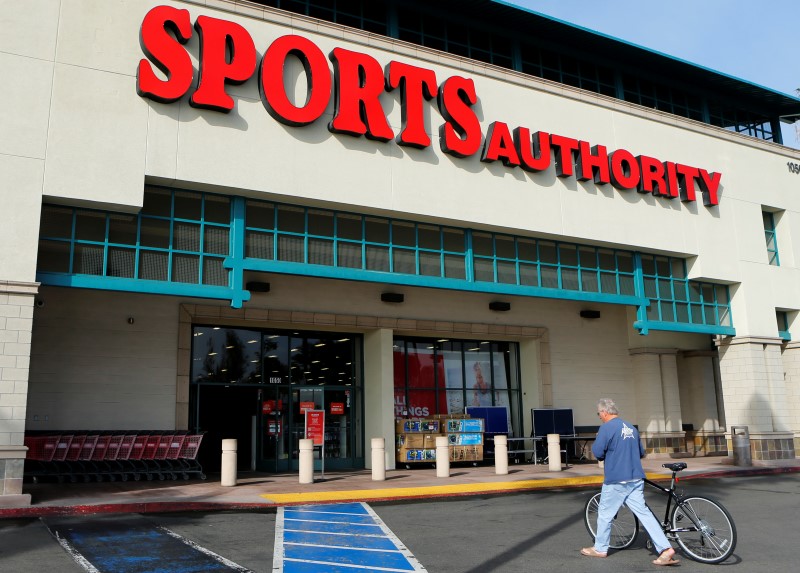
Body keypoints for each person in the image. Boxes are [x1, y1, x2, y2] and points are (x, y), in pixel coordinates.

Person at [581, 398, 679, 566]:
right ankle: (665, 549)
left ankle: (600, 548)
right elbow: (641, 452)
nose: (599, 417)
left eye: (599, 414)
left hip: (616, 479)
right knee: (644, 514)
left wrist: (600, 440)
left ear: (604, 412)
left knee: (604, 514)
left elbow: (597, 453)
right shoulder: (631, 428)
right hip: (635, 477)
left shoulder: (606, 428)